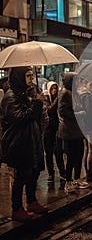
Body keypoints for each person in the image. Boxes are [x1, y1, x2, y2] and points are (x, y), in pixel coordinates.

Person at [0, 67, 48, 221]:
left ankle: (31, 201)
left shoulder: (25, 94)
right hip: (18, 143)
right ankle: (17, 208)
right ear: (19, 77)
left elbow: (33, 117)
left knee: (33, 172)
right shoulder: (11, 97)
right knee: (21, 177)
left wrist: (37, 103)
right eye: (28, 76)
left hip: (30, 140)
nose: (31, 79)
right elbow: (19, 118)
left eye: (32, 75)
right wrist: (36, 104)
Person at [57, 72, 89, 193]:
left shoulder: (73, 93)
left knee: (79, 154)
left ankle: (77, 178)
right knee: (71, 156)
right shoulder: (65, 93)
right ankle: (68, 181)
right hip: (69, 131)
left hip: (77, 130)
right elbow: (63, 111)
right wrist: (78, 114)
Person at [43, 81, 66, 182]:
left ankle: (62, 172)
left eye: (55, 88)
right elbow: (49, 109)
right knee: (49, 153)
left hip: (57, 128)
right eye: (52, 88)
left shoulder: (59, 99)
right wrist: (57, 99)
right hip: (48, 129)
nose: (54, 90)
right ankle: (51, 173)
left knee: (58, 151)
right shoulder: (45, 98)